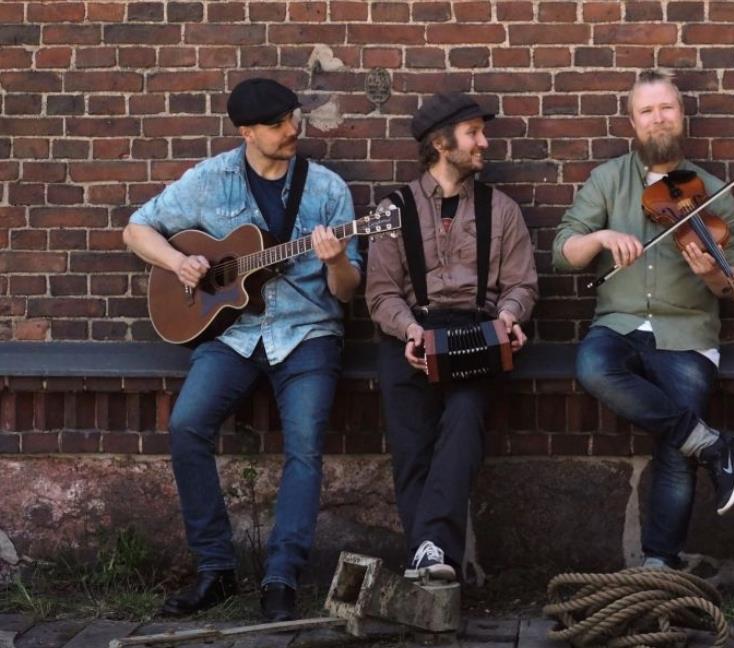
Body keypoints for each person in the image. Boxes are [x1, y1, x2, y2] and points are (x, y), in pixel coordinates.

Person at [123, 78, 362, 621]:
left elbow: (347, 292)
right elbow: (137, 229)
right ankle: (216, 569)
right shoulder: (212, 179)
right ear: (246, 132)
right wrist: (178, 262)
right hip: (232, 335)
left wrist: (335, 260)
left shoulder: (327, 189)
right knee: (187, 426)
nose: (292, 130)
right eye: (277, 124)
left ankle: (281, 578)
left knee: (305, 446)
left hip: (307, 332)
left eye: (294, 118)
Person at [551, 70, 734, 570]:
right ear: (632, 122)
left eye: (666, 108)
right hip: (617, 325)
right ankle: (714, 445)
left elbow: (733, 286)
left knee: (675, 448)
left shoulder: (713, 192)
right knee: (593, 367)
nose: (658, 119)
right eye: (647, 111)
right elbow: (562, 251)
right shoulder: (608, 180)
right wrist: (600, 238)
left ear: (681, 116)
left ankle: (660, 564)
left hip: (687, 332)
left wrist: (711, 274)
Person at [365, 92, 538, 582]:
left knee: (463, 423)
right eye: (473, 134)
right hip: (411, 331)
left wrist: (509, 317)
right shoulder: (393, 209)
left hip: (477, 332)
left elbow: (522, 284)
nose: (484, 143)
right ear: (441, 144)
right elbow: (380, 293)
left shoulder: (501, 210)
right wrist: (410, 330)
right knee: (411, 447)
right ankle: (430, 562)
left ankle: (431, 550)